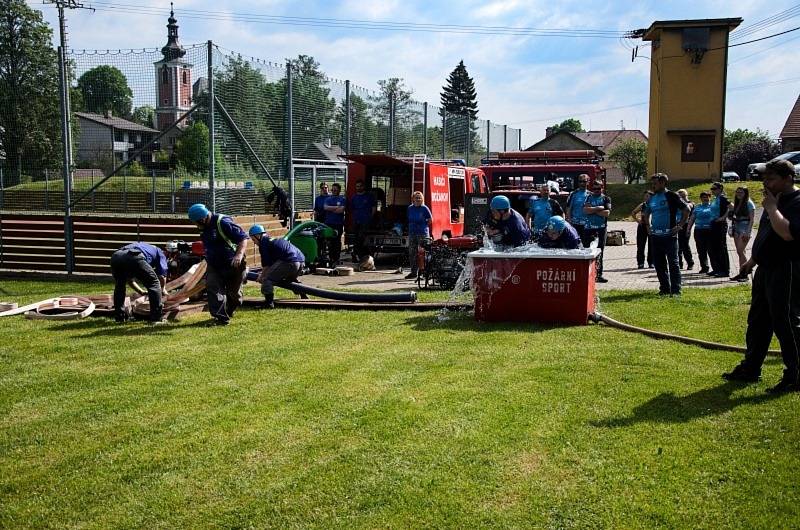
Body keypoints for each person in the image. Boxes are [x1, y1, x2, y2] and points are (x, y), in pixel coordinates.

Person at [722, 160, 800, 393]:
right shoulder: (772, 201)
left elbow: (786, 234)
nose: (766, 183)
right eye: (765, 178)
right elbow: (767, 235)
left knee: (786, 323)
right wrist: (752, 260)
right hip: (765, 268)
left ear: (789, 178)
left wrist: (772, 209)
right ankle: (751, 367)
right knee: (758, 321)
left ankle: (795, 375)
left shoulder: (795, 203)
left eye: (772, 178)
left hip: (786, 269)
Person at [188, 203, 248, 326]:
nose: (196, 225)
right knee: (213, 287)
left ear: (203, 218)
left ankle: (230, 309)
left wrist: (239, 255)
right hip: (214, 264)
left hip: (233, 263)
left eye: (196, 222)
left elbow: (243, 238)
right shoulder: (203, 227)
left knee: (234, 294)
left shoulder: (223, 222)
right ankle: (220, 318)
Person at [642, 173, 690, 296]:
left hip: (670, 236)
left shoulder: (671, 195)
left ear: (663, 183)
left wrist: (679, 226)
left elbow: (686, 210)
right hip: (655, 236)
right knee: (659, 263)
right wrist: (648, 227)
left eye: (655, 183)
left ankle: (676, 291)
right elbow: (646, 213)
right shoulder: (652, 198)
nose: (653, 185)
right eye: (652, 183)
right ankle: (664, 288)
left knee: (673, 263)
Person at [110, 242, 168, 324]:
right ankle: (156, 318)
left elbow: (129, 280)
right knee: (154, 283)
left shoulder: (143, 246)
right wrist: (163, 288)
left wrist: (140, 291)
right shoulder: (160, 252)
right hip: (134, 256)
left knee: (120, 286)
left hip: (116, 256)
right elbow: (162, 275)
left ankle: (120, 318)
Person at [248, 224, 305, 308]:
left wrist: (262, 276)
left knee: (267, 279)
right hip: (301, 262)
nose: (254, 242)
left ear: (258, 236)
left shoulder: (264, 243)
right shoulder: (273, 240)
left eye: (253, 240)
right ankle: (304, 295)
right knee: (290, 280)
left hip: (289, 262)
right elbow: (273, 264)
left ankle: (268, 303)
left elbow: (266, 264)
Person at [582, 181, 611, 283]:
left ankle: (599, 275)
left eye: (598, 189)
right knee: (586, 251)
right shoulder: (588, 197)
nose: (596, 191)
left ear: (602, 188)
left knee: (599, 252)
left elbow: (607, 213)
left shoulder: (606, 198)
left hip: (601, 228)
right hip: (588, 228)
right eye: (594, 189)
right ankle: (585, 274)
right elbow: (585, 211)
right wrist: (598, 208)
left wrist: (592, 210)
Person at [728, 186, 756, 282]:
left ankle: (745, 272)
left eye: (741, 192)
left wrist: (748, 232)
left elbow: (752, 220)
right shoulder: (737, 202)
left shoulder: (749, 203)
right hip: (737, 227)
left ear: (746, 193)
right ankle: (742, 272)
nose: (739, 194)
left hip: (744, 228)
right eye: (737, 192)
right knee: (740, 252)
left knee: (740, 251)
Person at [406, 191, 433, 279]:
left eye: (419, 198)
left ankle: (423, 273)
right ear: (412, 199)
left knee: (422, 254)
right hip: (412, 233)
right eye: (416, 198)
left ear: (422, 199)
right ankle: (413, 272)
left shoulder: (425, 208)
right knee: (412, 253)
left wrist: (423, 225)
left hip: (422, 233)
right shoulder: (410, 208)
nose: (417, 199)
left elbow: (430, 220)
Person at [349, 180, 377, 265]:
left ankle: (360, 255)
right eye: (357, 186)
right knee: (356, 238)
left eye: (360, 186)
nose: (359, 188)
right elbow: (351, 209)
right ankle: (358, 255)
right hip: (356, 221)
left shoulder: (369, 196)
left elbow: (374, 208)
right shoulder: (354, 197)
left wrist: (369, 217)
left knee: (361, 238)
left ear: (363, 186)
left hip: (365, 221)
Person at [687, 191, 715, 274]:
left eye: (707, 197)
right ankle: (704, 267)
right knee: (701, 250)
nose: (705, 198)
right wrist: (688, 229)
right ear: (701, 198)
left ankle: (715, 268)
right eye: (703, 197)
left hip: (710, 230)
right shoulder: (697, 207)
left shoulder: (713, 206)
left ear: (710, 197)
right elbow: (692, 218)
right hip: (699, 230)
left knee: (711, 250)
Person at [708, 181, 731, 277]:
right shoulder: (715, 199)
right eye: (711, 189)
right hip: (713, 224)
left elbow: (731, 207)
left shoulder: (722, 198)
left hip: (720, 225)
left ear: (720, 189)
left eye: (714, 189)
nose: (712, 190)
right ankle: (717, 269)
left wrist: (723, 217)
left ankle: (725, 270)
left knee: (721, 247)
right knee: (714, 247)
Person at [323, 183, 347, 265]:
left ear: (339, 190)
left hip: (338, 224)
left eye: (335, 189)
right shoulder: (328, 199)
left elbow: (341, 210)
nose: (333, 191)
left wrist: (331, 208)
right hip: (329, 223)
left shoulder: (342, 199)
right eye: (332, 189)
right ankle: (331, 258)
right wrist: (336, 207)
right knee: (330, 242)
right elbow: (325, 207)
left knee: (337, 242)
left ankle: (337, 258)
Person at [631, 190, 654, 269]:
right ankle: (640, 263)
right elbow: (633, 212)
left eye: (648, 196)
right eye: (645, 196)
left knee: (652, 245)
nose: (646, 198)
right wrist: (638, 221)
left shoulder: (655, 205)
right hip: (642, 227)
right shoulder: (643, 205)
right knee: (640, 246)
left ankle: (651, 262)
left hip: (652, 227)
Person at [565, 174, 589, 240]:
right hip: (575, 224)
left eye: (584, 181)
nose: (582, 183)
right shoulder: (573, 194)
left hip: (587, 225)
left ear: (588, 182)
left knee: (586, 245)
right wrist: (570, 223)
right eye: (580, 181)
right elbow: (568, 209)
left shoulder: (590, 195)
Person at [676, 189, 695, 270]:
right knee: (677, 245)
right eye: (680, 196)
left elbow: (692, 216)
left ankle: (690, 263)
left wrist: (689, 228)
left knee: (685, 245)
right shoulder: (677, 204)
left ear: (686, 195)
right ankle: (679, 263)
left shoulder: (691, 203)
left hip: (686, 225)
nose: (681, 197)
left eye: (683, 195)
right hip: (677, 224)